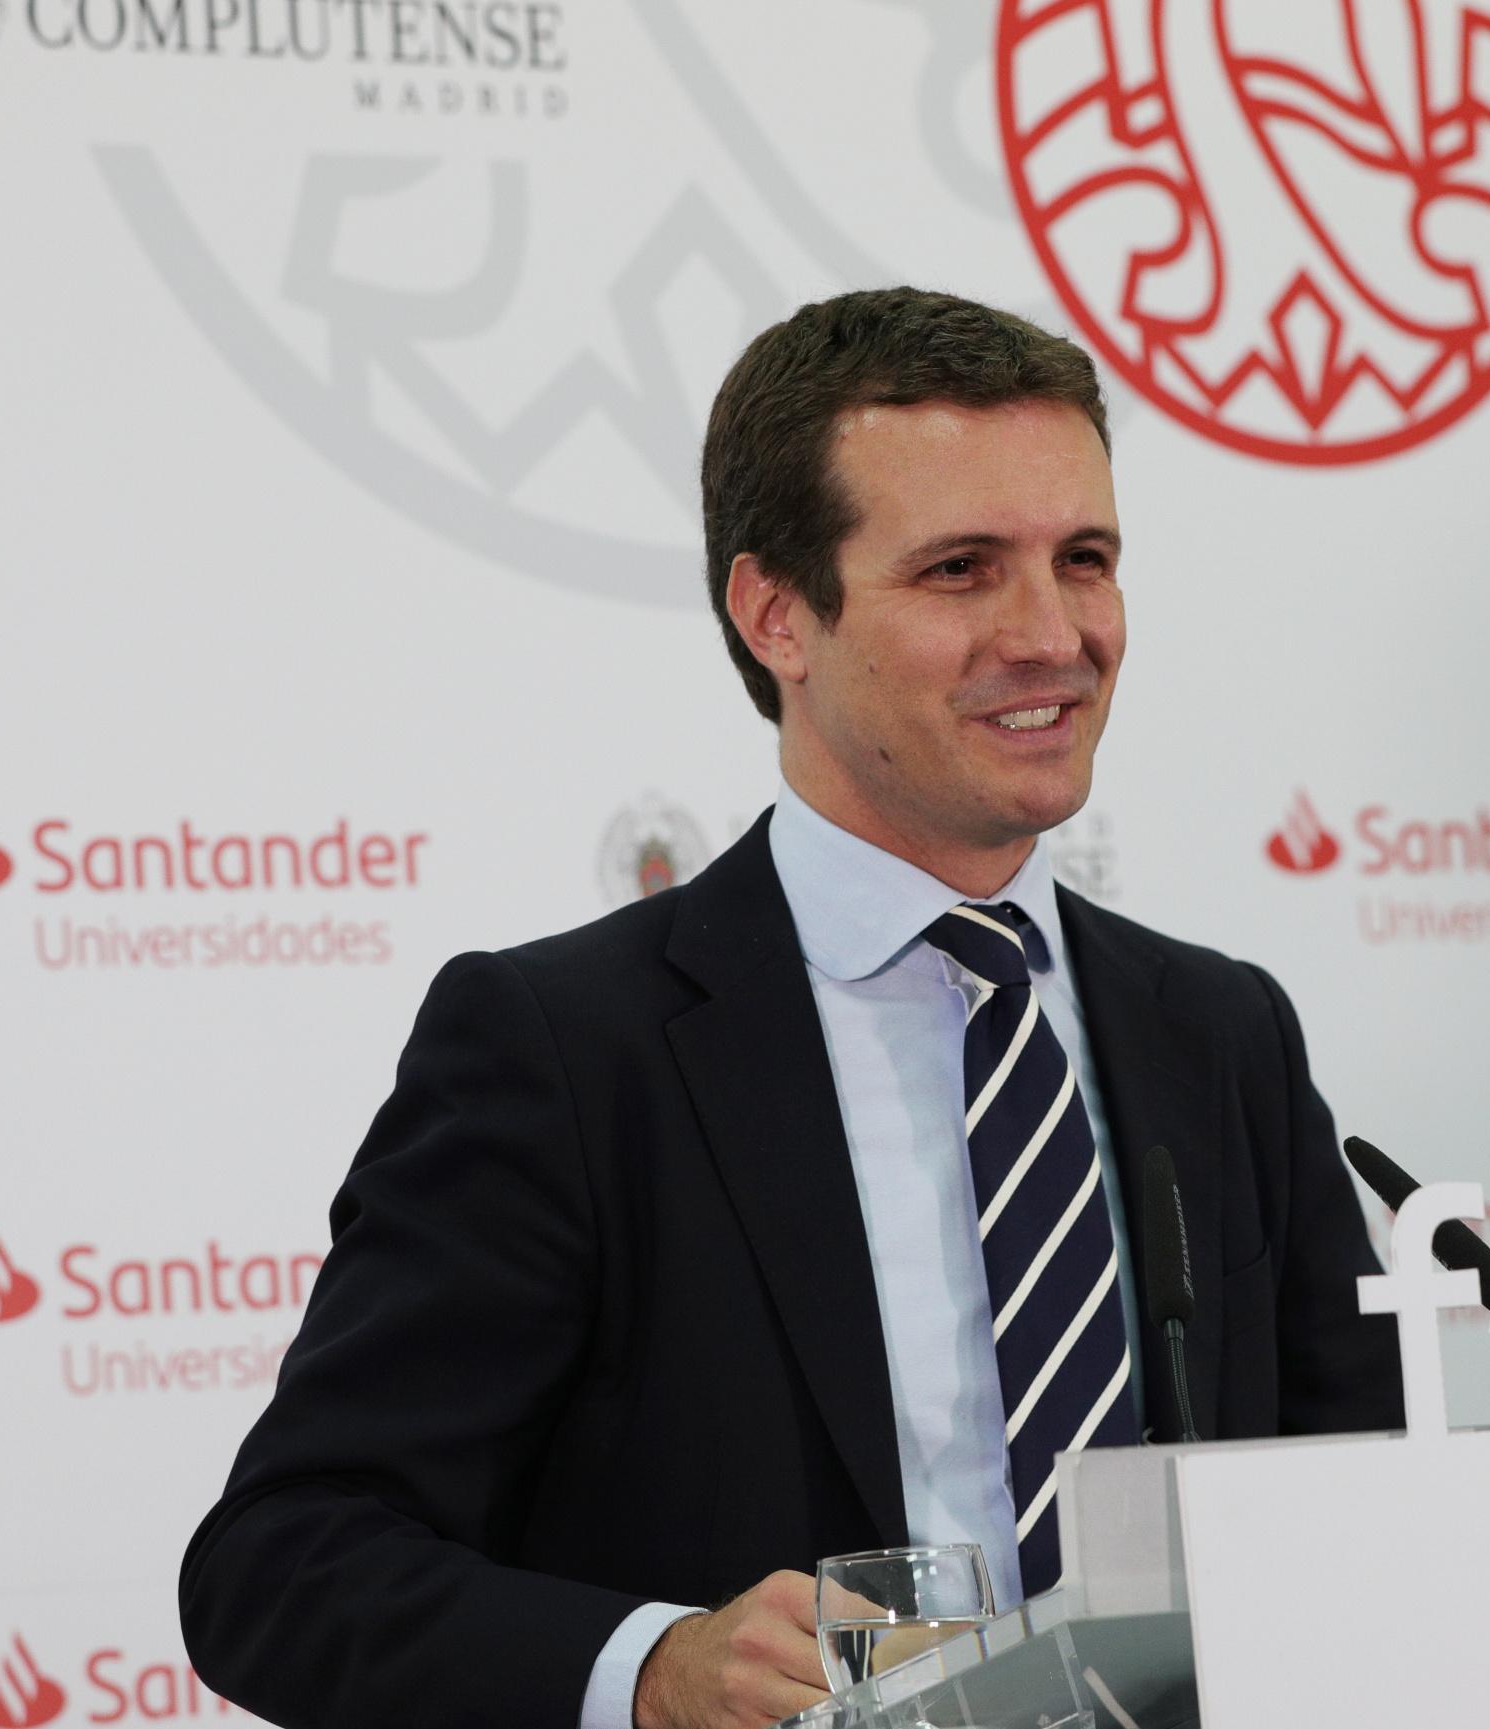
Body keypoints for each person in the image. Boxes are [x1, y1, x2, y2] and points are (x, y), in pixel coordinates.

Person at [179, 288, 1402, 1729]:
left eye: (1086, 557)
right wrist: (650, 1666)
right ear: (776, 614)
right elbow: (282, 1562)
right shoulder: (568, 1049)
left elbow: (1367, 1514)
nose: (1055, 631)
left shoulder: (1220, 1031)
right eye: (961, 570)